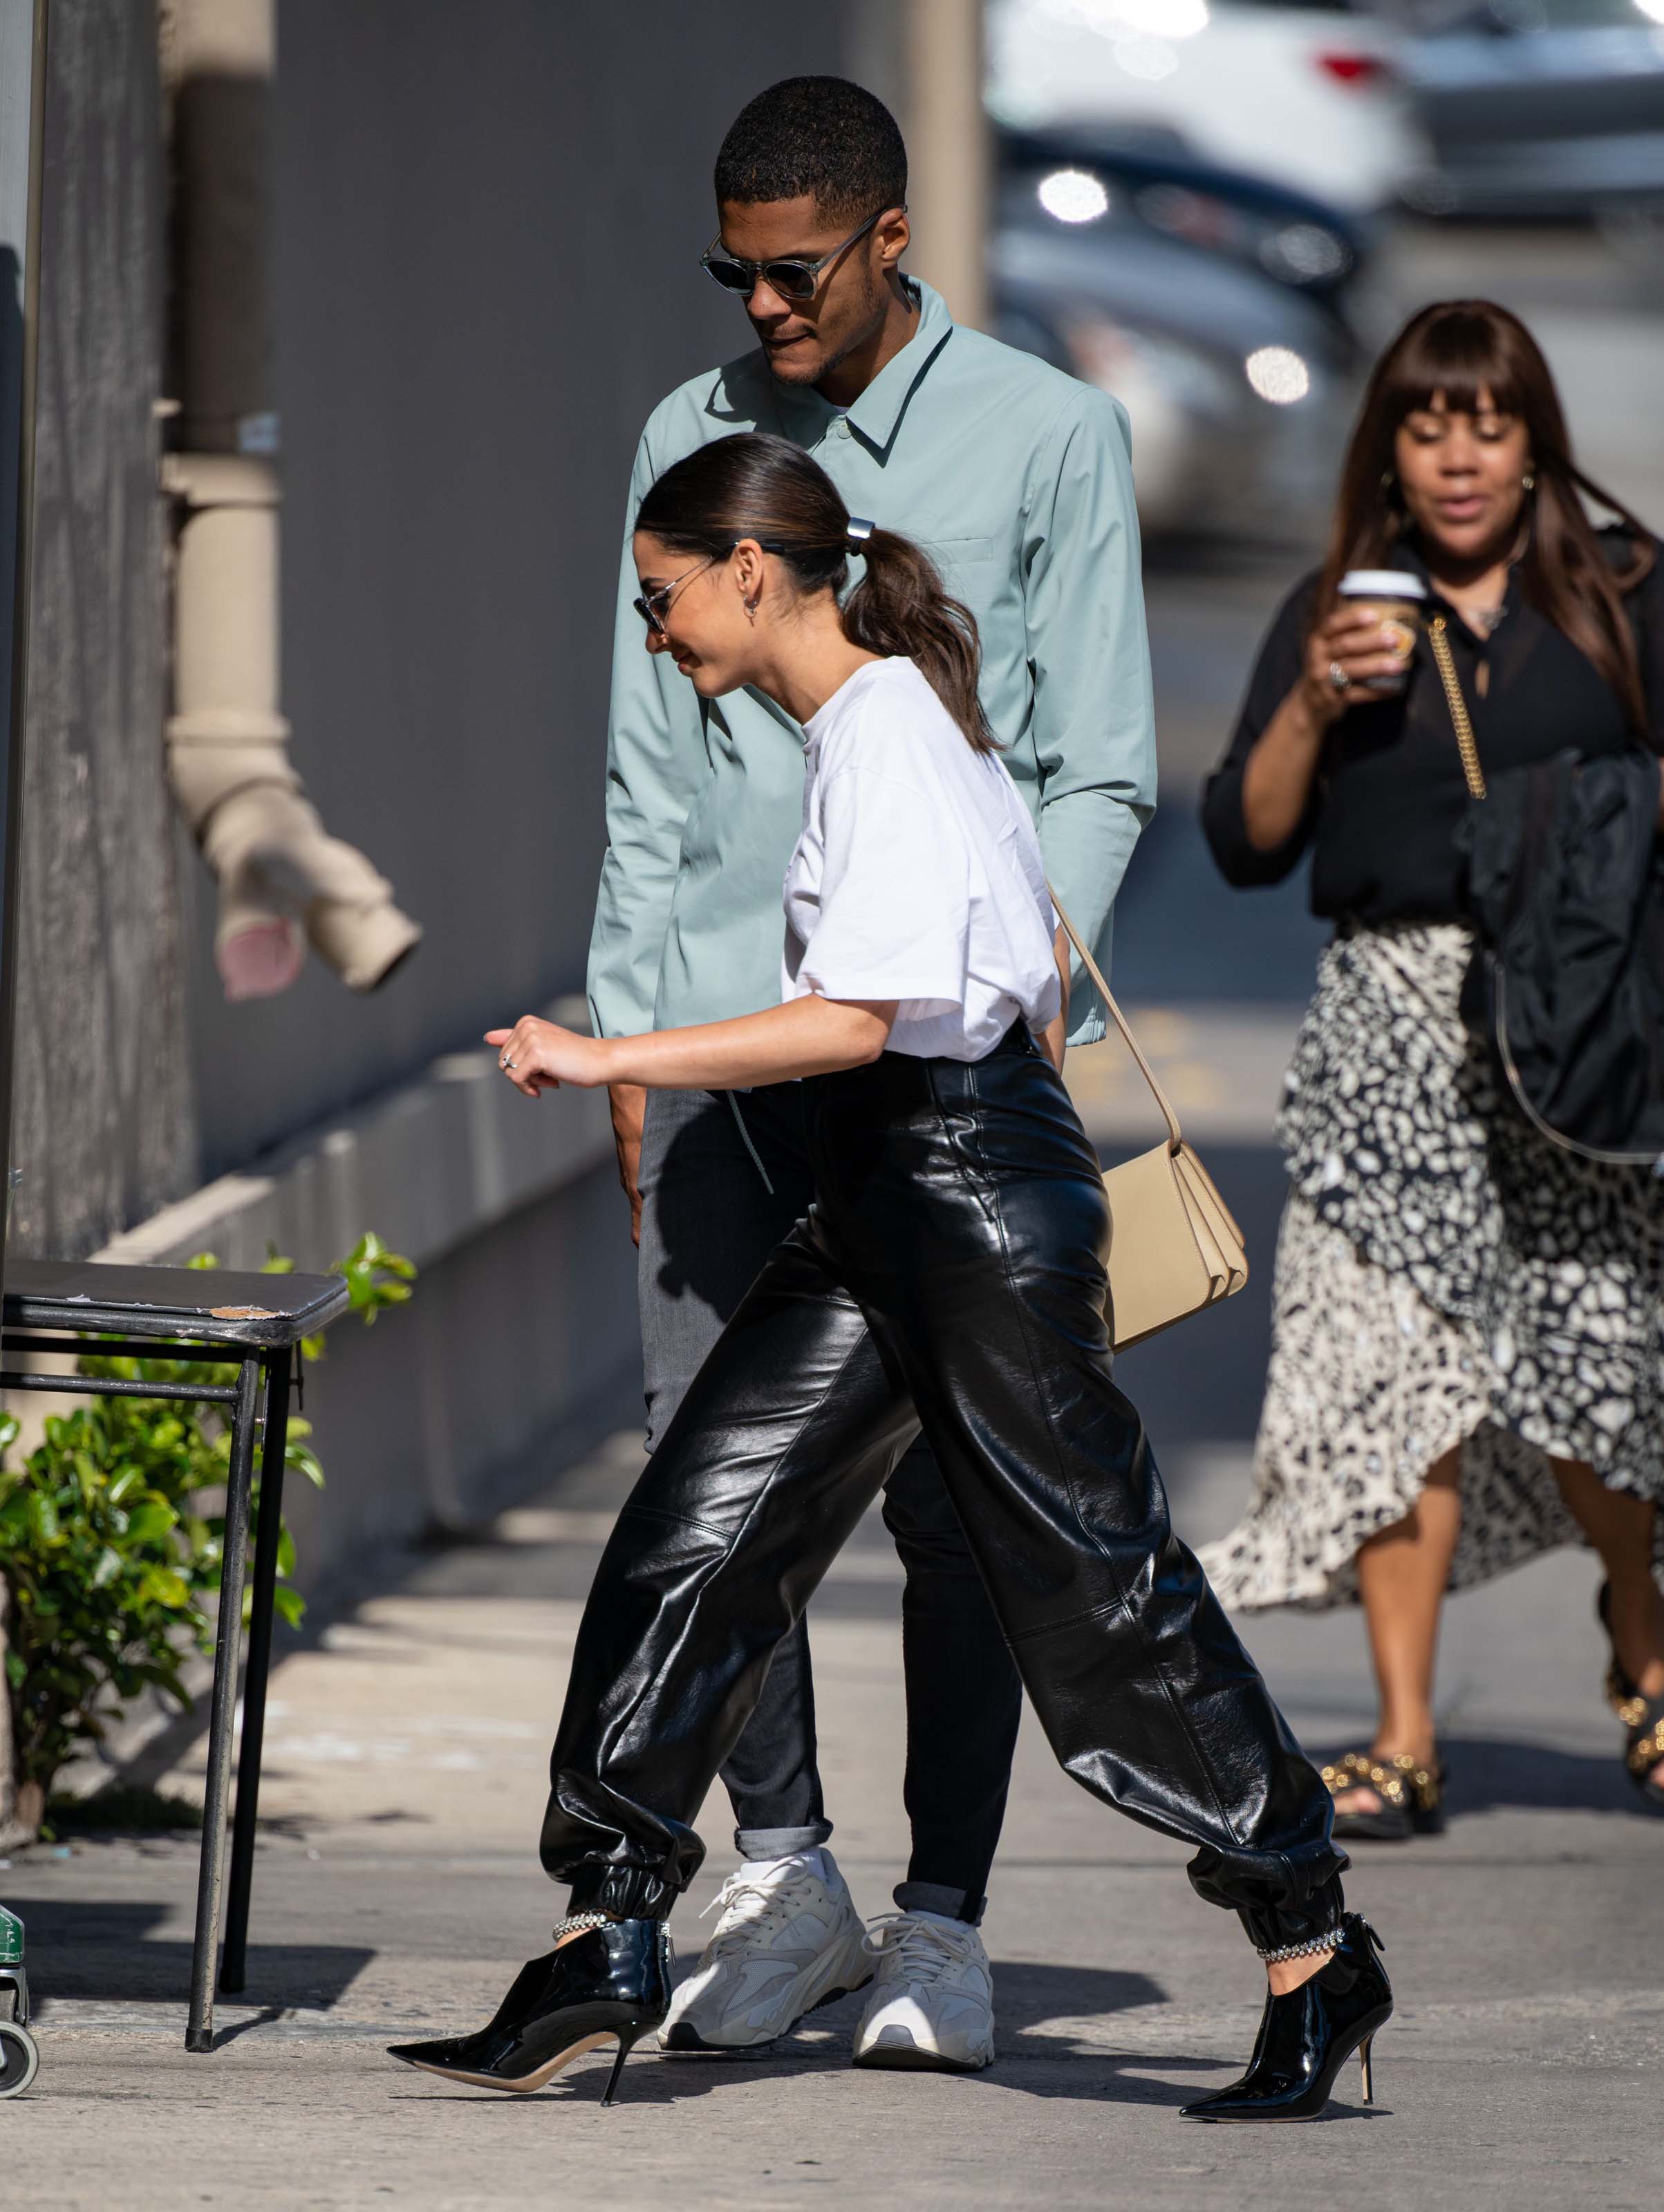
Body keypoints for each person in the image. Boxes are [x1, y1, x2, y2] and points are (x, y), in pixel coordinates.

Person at [389, 432, 1388, 2119]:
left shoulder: (890, 739)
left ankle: (1309, 1935)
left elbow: (860, 1016)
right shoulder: (874, 731)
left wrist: (607, 1050)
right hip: (879, 1197)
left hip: (972, 1198)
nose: (658, 638)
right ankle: (608, 1929)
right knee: (696, 1528)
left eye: (664, 600)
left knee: (1096, 1592)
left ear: (752, 571)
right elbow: (1002, 966)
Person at [583, 77, 1157, 2068]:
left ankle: (943, 1920)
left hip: (932, 1077)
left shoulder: (1049, 436)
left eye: (796, 269)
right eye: (732, 273)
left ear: (892, 237)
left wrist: (1016, 1009)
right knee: (712, 1489)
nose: (763, 308)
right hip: (735, 1065)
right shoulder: (687, 438)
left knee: (957, 1512)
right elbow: (649, 775)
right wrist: (630, 1041)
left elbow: (1097, 768)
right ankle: (793, 1872)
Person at [1199, 299, 1664, 1839]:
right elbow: (1244, 842)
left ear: (1534, 442)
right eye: (1425, 424)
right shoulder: (1334, 607)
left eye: (1488, 422)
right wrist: (1320, 701)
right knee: (1399, 1385)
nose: (1459, 455)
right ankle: (1403, 1737)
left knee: (1594, 1372)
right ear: (1387, 452)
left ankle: (1643, 1638)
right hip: (1386, 1037)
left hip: (1578, 1038)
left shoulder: (1622, 598)